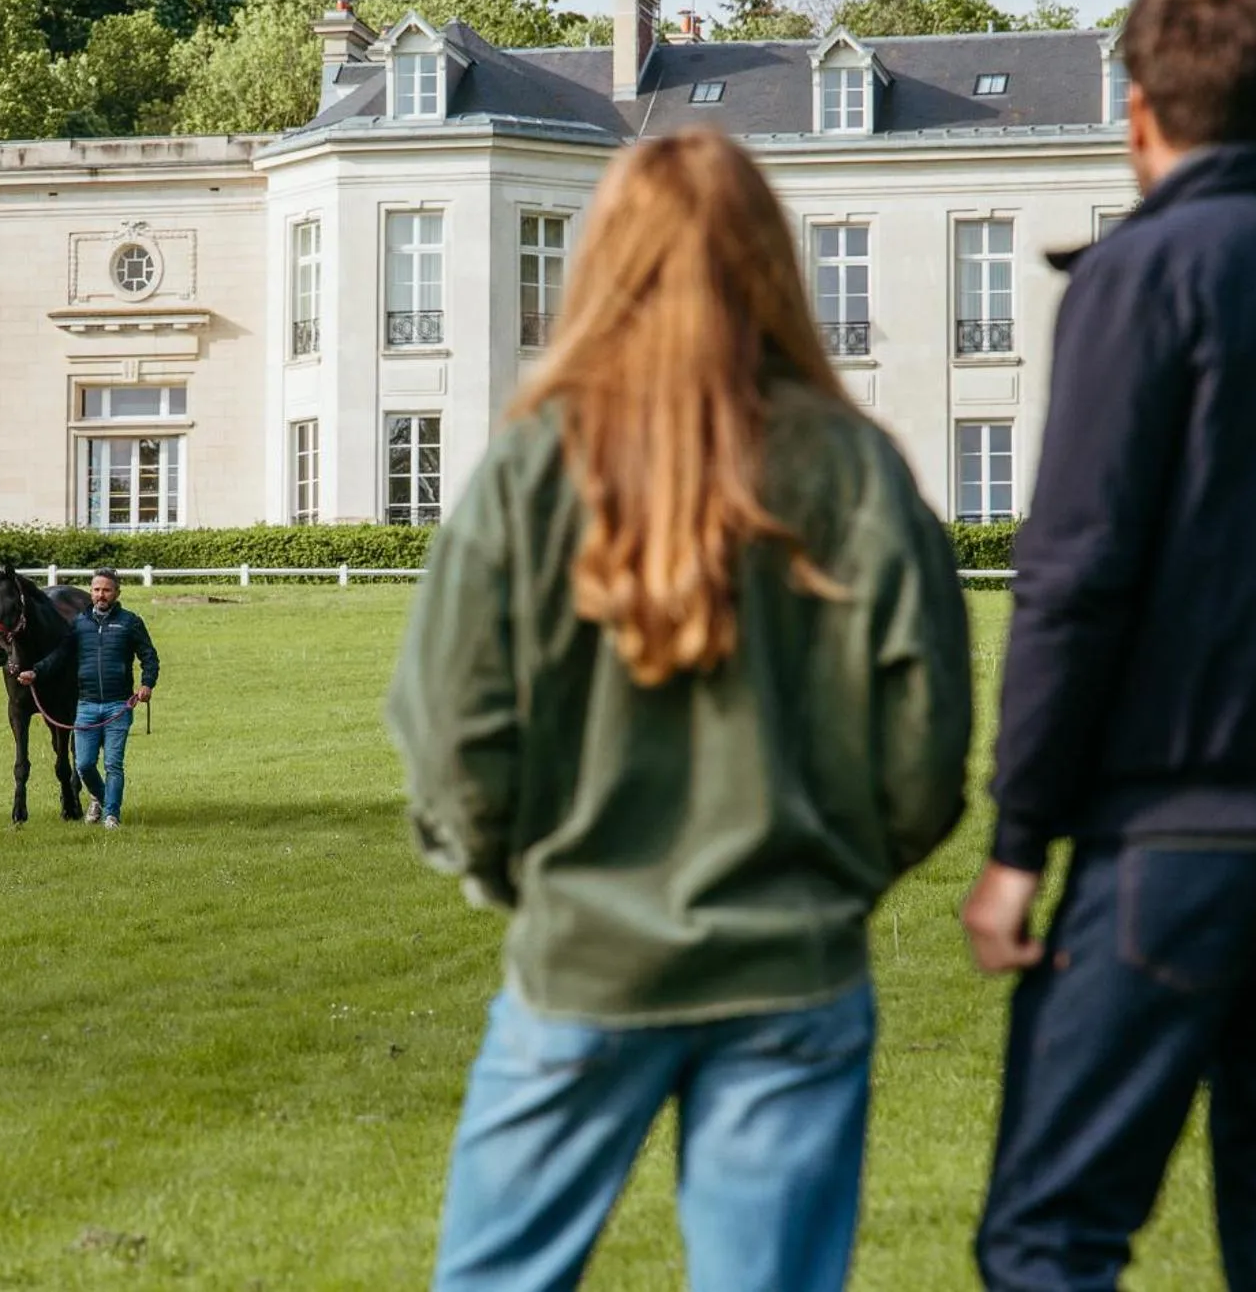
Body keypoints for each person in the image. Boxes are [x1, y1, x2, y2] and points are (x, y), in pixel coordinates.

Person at [386, 127, 973, 1292]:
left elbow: (451, 731)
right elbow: (924, 748)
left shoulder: (528, 466)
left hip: (582, 957)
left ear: (603, 259)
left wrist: (521, 880)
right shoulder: (855, 468)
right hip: (788, 965)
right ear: (770, 260)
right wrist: (832, 878)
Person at [963, 0, 1256, 1291]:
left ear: (1137, 112)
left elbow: (1077, 570)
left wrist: (1016, 840)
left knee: (1051, 1232)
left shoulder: (1144, 276)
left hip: (1175, 825)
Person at [20, 568, 158, 828]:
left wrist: (146, 684)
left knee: (113, 764)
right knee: (83, 765)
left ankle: (111, 815)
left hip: (119, 705)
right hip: (86, 705)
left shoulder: (130, 622)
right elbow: (60, 655)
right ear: (91, 592)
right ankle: (104, 800)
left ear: (117, 593)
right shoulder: (80, 624)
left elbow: (149, 656)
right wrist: (35, 672)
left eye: (106, 590)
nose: (100, 595)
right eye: (96, 590)